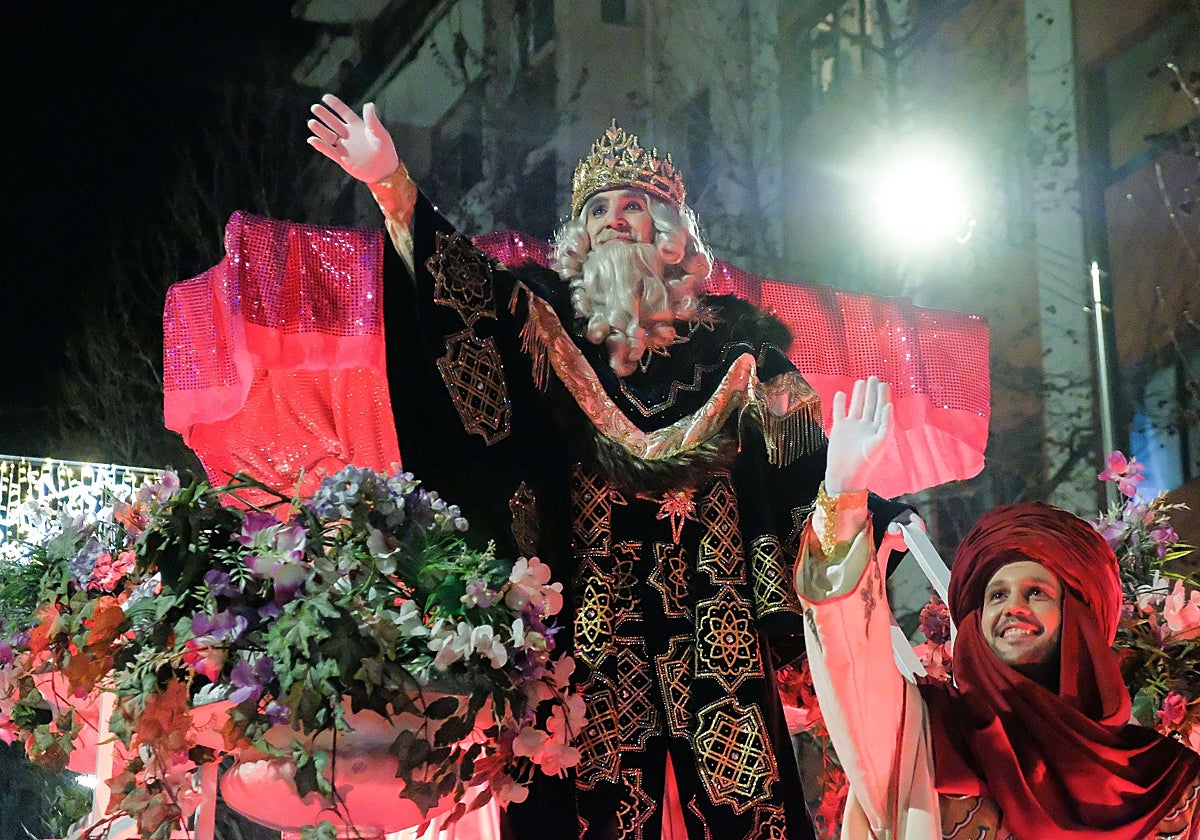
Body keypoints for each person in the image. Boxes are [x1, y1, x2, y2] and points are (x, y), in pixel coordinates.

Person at [304, 93, 918, 839]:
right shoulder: (542, 334)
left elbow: (800, 508)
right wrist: (393, 185)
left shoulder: (744, 365)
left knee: (742, 802)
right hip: (590, 629)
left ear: (673, 237)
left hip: (716, 624)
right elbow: (459, 299)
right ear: (580, 241)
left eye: (634, 205)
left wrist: (851, 492)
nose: (615, 219)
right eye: (597, 210)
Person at [797, 376, 1200, 839]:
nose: (1013, 608)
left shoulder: (1171, 784)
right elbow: (851, 658)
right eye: (996, 595)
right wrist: (843, 497)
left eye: (1036, 593)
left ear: (1079, 621)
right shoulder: (925, 739)